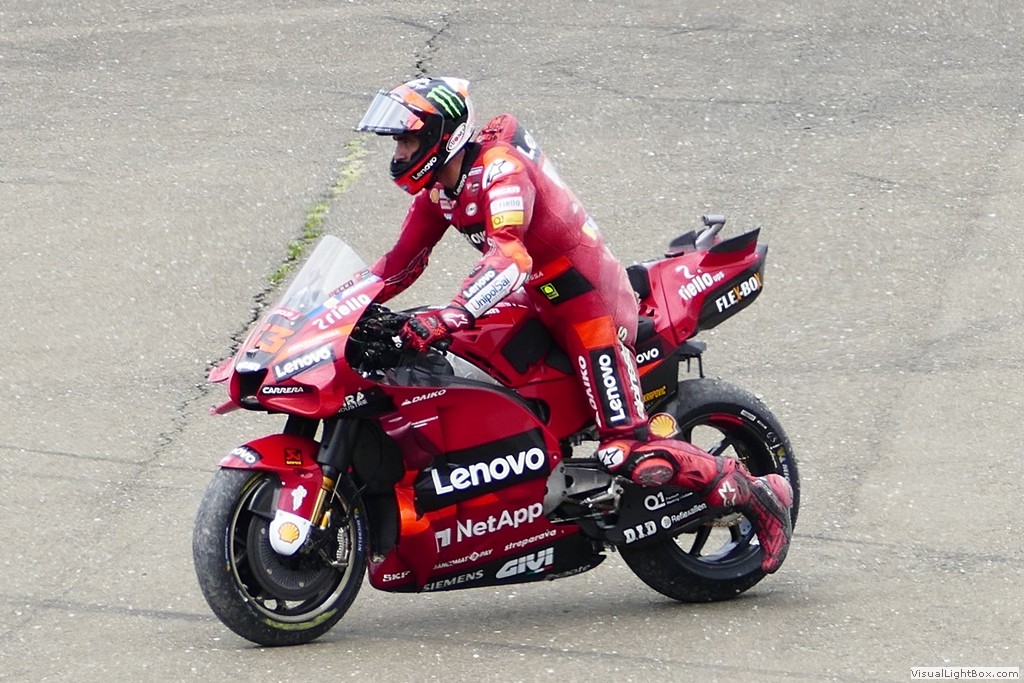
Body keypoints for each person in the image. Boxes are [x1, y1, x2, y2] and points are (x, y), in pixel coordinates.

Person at [355, 76, 793, 572]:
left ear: (442, 137)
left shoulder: (501, 173)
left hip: (591, 309)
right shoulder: (443, 189)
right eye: (398, 142)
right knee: (448, 358)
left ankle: (755, 491)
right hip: (539, 299)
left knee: (627, 451)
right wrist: (327, 312)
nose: (399, 153)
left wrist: (455, 311)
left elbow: (510, 256)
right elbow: (397, 265)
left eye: (407, 141)